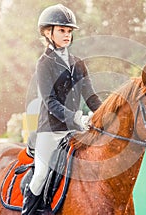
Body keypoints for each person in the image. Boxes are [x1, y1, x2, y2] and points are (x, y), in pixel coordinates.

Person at [22, 4, 102, 215]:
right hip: (50, 131)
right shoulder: (44, 63)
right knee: (40, 175)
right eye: (61, 30)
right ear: (48, 33)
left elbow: (91, 97)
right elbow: (50, 102)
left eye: (69, 31)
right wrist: (76, 118)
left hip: (75, 132)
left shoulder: (78, 63)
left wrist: (107, 114)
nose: (67, 35)